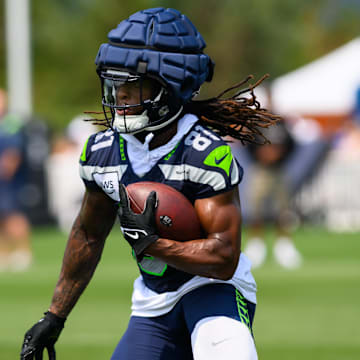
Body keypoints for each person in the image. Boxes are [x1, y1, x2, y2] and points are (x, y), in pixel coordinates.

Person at [21, 7, 280, 360]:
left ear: (169, 87)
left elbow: (224, 258)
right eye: (115, 85)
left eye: (132, 86)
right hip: (154, 299)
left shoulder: (203, 153)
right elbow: (88, 234)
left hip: (214, 288)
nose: (120, 97)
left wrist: (155, 245)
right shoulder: (102, 152)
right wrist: (54, 316)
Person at [242, 119, 303, 269]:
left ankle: (284, 245)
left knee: (283, 210)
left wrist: (280, 154)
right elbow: (248, 144)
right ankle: (256, 244)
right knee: (255, 209)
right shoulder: (256, 123)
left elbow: (292, 144)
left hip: (279, 171)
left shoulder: (282, 123)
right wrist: (260, 154)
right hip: (260, 170)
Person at [0, 89, 32, 272]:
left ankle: (23, 252)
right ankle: (3, 254)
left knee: (13, 215)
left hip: (8, 181)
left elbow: (13, 153)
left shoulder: (11, 124)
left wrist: (6, 170)